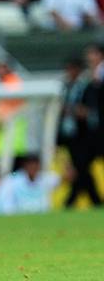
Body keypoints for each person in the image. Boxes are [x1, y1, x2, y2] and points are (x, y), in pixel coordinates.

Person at [57, 58, 102, 208]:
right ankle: (96, 202)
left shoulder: (87, 88)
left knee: (81, 169)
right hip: (69, 137)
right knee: (81, 171)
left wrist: (71, 109)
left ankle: (70, 203)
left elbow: (89, 113)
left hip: (84, 138)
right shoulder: (65, 88)